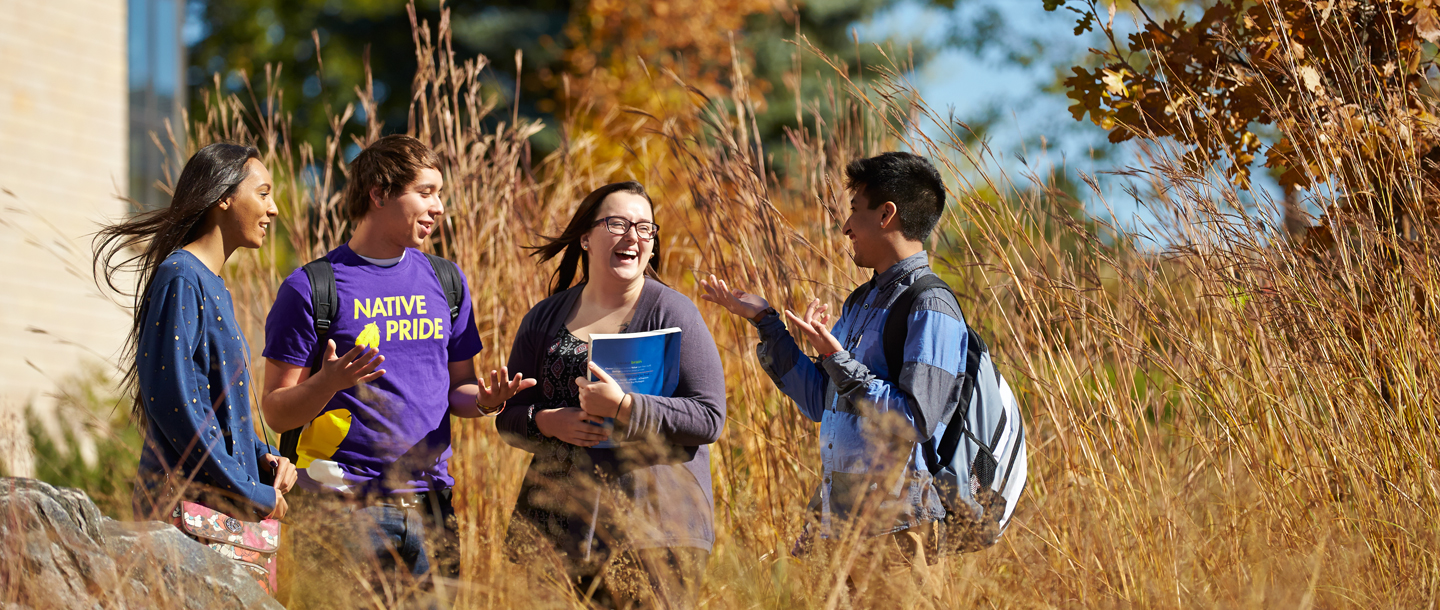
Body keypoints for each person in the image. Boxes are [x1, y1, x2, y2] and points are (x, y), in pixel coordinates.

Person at [260, 135, 529, 606]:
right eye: (425, 192)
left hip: (432, 509)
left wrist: (485, 400)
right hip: (341, 508)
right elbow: (277, 413)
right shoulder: (311, 288)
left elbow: (458, 390)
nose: (439, 207)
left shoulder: (446, 281)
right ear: (380, 193)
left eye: (439, 193)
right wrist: (329, 382)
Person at [699, 152, 964, 588]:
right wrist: (767, 323)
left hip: (895, 537)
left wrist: (839, 361)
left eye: (854, 211)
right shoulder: (860, 301)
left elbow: (914, 419)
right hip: (834, 529)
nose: (845, 226)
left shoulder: (931, 305)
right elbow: (818, 401)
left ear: (886, 214)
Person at [496, 181, 726, 609]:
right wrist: (545, 421)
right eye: (617, 223)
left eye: (644, 228)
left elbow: (709, 417)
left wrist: (624, 407)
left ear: (653, 246)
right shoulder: (544, 318)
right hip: (556, 532)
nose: (632, 236)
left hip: (656, 533)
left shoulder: (673, 312)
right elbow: (509, 416)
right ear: (585, 237)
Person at [93, 142, 298, 525]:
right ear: (223, 197)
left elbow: (214, 407)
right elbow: (178, 407)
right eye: (263, 193)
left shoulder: (212, 284)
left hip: (220, 520)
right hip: (185, 527)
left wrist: (260, 456)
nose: (273, 209)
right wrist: (250, 491)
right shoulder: (183, 276)